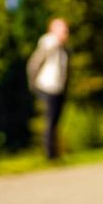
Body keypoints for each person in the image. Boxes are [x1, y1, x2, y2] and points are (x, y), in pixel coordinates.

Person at [26, 17, 70, 161]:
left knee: (55, 121)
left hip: (58, 88)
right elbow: (33, 65)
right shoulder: (49, 44)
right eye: (62, 29)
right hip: (46, 87)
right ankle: (49, 154)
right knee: (50, 121)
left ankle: (55, 153)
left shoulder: (63, 48)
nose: (66, 32)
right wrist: (33, 85)